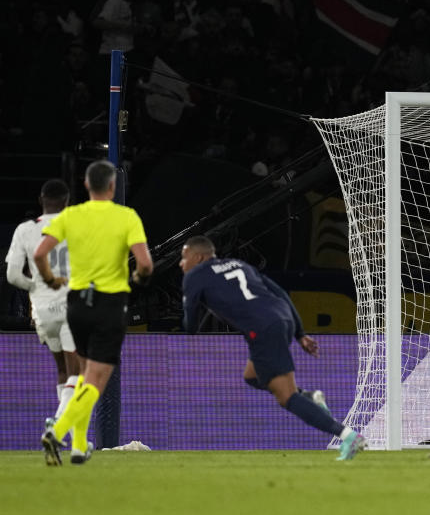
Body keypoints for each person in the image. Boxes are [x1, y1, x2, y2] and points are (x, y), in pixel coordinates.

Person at [179, 235, 365, 460]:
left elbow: (189, 327)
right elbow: (281, 293)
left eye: (184, 257)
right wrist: (300, 333)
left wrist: (192, 302)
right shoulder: (240, 264)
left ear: (198, 257)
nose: (181, 263)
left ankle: (348, 436)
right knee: (251, 376)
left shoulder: (195, 276)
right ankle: (309, 396)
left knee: (286, 397)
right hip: (281, 319)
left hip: (262, 328)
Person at [34, 160, 153, 466]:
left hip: (76, 305)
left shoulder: (71, 215)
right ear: (112, 186)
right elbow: (145, 263)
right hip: (108, 304)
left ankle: (79, 447)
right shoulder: (126, 216)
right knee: (96, 383)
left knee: (84, 376)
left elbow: (40, 253)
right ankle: (57, 432)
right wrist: (138, 279)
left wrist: (48, 279)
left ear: (87, 186)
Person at [5, 179, 81, 424]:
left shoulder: (25, 230)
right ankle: (57, 428)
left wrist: (35, 286)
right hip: (70, 305)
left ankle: (70, 442)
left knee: (62, 370)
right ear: (67, 202)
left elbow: (13, 276)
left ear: (41, 201)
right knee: (77, 372)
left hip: (42, 310)